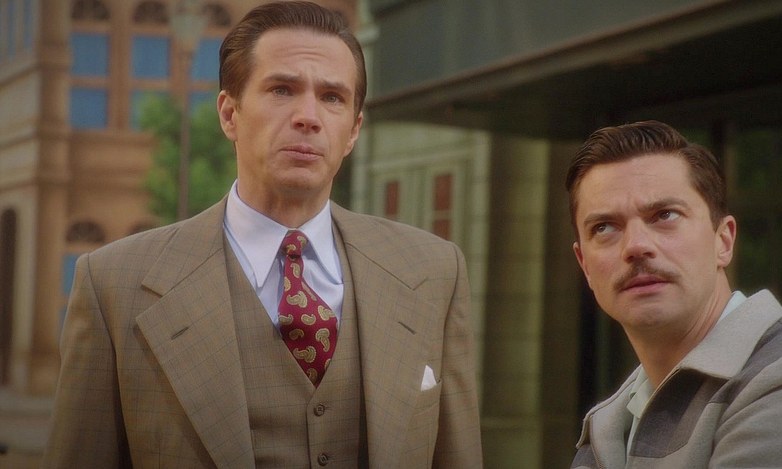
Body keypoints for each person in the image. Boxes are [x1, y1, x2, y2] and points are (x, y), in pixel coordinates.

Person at [42, 2, 482, 468]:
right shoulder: (114, 285)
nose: (308, 116)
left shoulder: (432, 272)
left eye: (332, 97)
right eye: (282, 90)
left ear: (353, 130)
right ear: (229, 114)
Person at [565, 120, 782, 468]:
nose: (635, 246)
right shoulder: (612, 422)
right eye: (604, 227)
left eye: (664, 215)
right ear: (585, 265)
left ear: (724, 241)